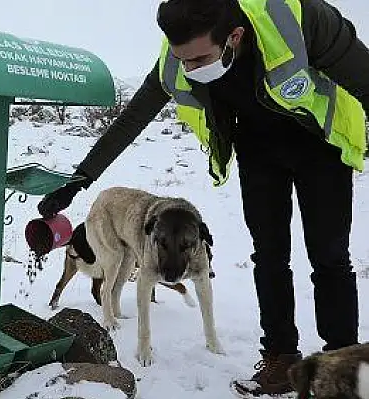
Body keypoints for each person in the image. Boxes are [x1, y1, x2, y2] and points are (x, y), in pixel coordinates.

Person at [36, 0, 369, 397]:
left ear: (235, 36)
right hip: (258, 150)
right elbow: (132, 118)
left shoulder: (300, 20)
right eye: (183, 60)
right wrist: (80, 178)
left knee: (330, 255)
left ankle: (343, 365)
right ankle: (281, 357)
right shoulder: (178, 57)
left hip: (319, 144)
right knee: (270, 254)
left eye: (199, 60)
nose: (190, 70)